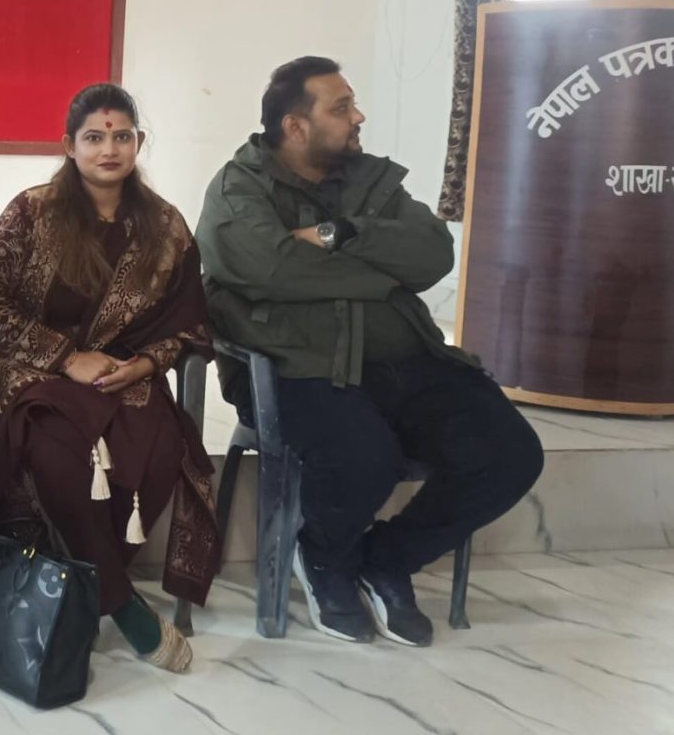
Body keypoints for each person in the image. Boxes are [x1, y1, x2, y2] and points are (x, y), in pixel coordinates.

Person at [196, 55, 543, 647]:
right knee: (365, 455)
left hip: (402, 358)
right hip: (294, 366)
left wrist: (343, 233)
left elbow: (432, 254)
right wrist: (384, 278)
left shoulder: (369, 180)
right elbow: (271, 270)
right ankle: (324, 555)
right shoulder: (239, 187)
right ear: (295, 127)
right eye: (341, 108)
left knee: (510, 452)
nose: (358, 117)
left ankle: (386, 559)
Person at [0, 83, 217, 673]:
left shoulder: (165, 227)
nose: (109, 149)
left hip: (121, 372)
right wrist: (64, 356)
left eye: (122, 136)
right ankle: (119, 603)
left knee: (160, 445)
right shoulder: (31, 212)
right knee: (55, 451)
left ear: (139, 142)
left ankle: (80, 590)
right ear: (69, 146)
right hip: (31, 369)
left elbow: (191, 322)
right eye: (95, 137)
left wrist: (147, 364)